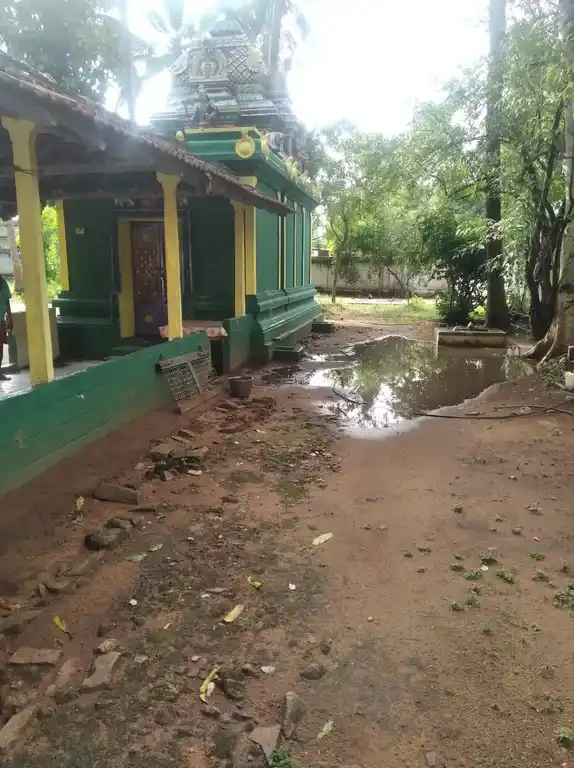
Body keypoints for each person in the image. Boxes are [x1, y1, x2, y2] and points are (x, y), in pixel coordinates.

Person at [0, 275, 12, 380]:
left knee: (0, 347)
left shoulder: (3, 283)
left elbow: (7, 302)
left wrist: (10, 317)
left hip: (1, 320)